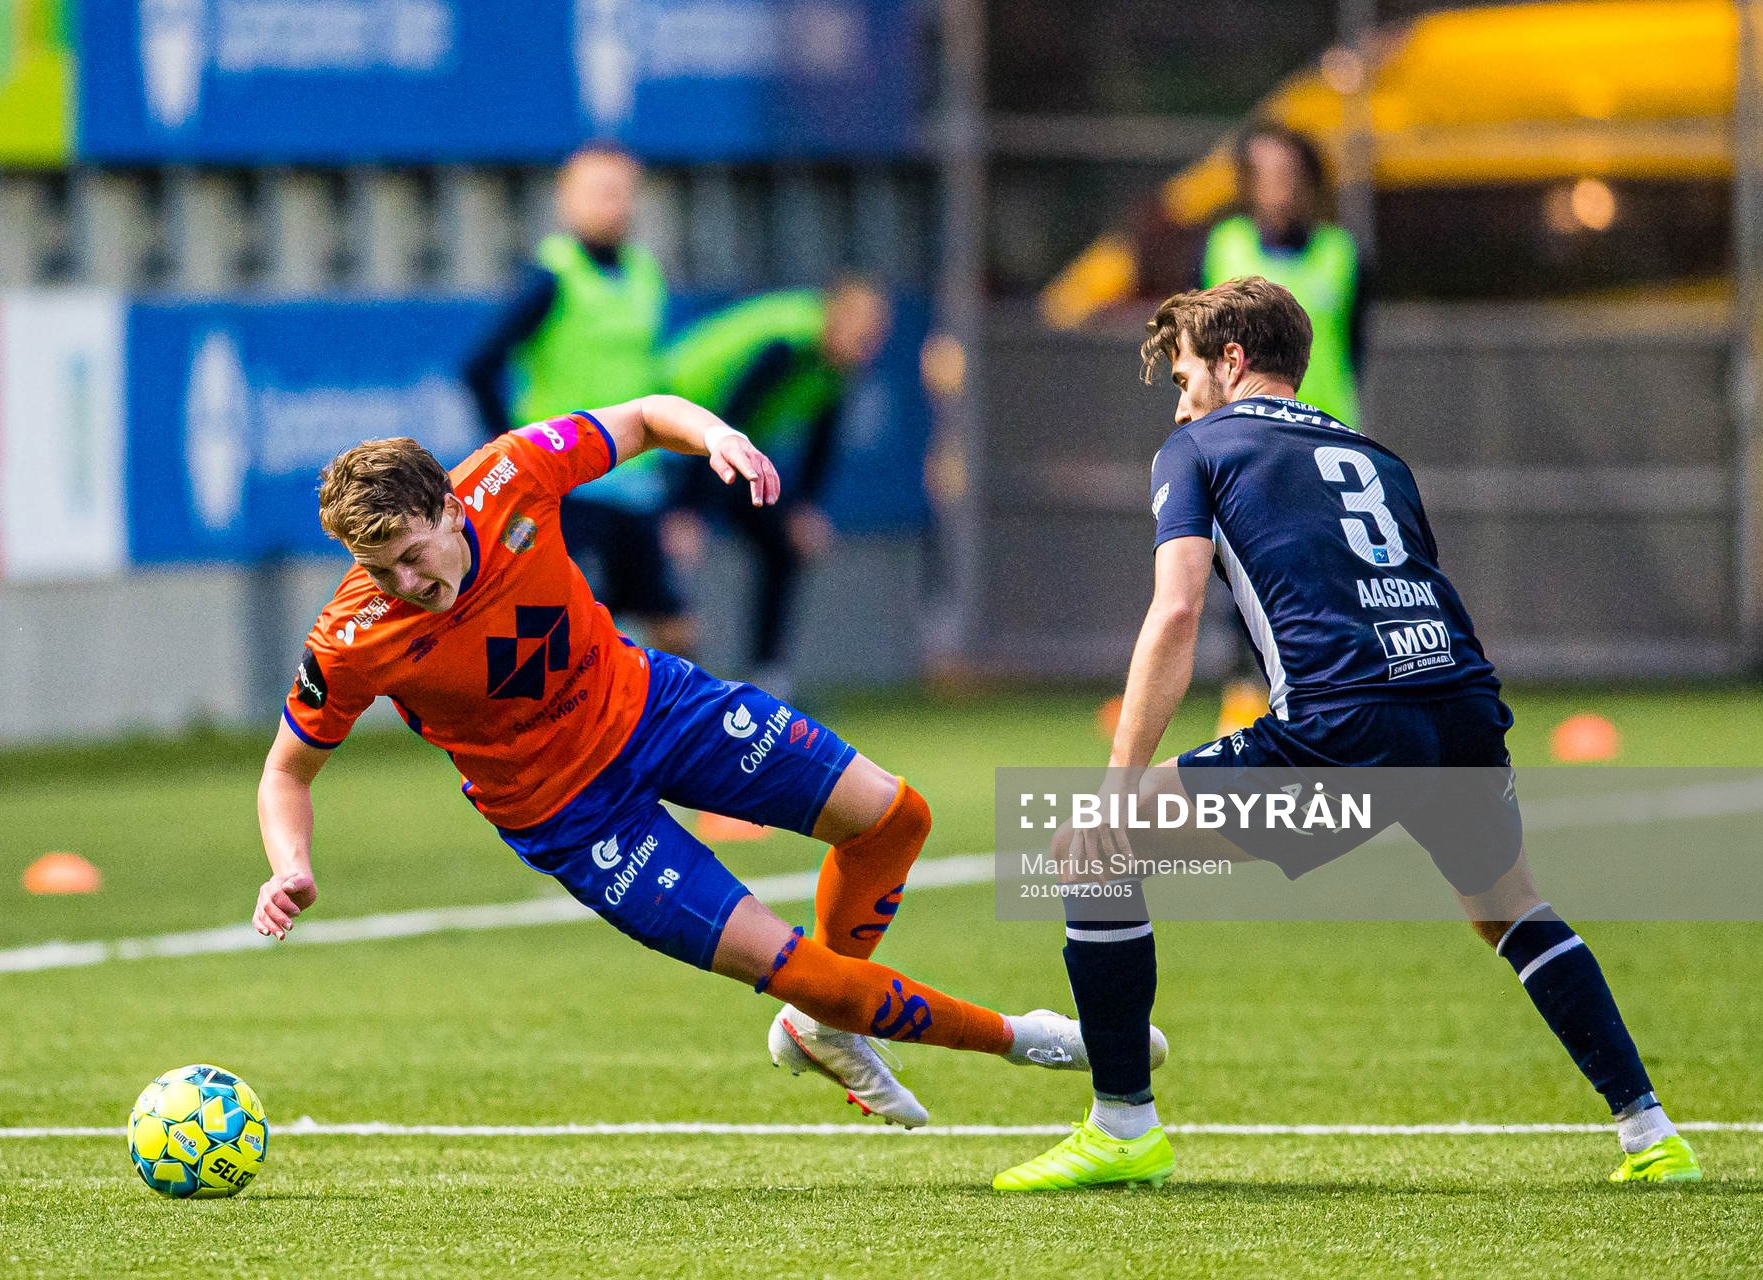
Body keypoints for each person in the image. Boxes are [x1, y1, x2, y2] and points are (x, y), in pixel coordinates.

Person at [992, 278, 1697, 1191]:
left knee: (1087, 852)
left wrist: (1118, 784)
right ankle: (1651, 1131)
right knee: (1511, 908)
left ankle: (1124, 1125)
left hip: (1347, 726)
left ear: (1232, 362)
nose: (1179, 399)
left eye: (1183, 375)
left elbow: (1174, 613)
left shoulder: (1197, 447)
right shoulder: (1376, 452)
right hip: (1460, 707)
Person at [253, 394, 1128, 1128]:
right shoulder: (350, 642)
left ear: (449, 507)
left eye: (411, 556)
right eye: (378, 568)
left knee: (898, 818)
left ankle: (823, 1023)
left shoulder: (509, 474)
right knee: (814, 974)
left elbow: (639, 418)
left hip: (656, 708)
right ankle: (1024, 1037)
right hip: (576, 820)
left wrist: (714, 436)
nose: (404, 583)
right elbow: (287, 773)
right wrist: (289, 866)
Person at [462, 142, 693, 654]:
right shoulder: (552, 276)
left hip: (636, 482)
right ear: (568, 201)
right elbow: (479, 366)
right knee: (578, 637)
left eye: (622, 192)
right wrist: (515, 460)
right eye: (600, 192)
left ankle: (681, 734)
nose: (614, 203)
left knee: (677, 631)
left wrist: (677, 491)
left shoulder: (645, 274)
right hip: (571, 485)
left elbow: (656, 382)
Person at [1201, 123, 1370, 737]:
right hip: (1248, 442)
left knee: (1330, 581)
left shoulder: (1341, 255)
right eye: (1264, 174)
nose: (1276, 188)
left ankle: (1330, 705)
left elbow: (1353, 350)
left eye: (1288, 174)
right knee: (1243, 574)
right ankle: (1246, 700)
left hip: (1326, 447)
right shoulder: (1226, 247)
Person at [661, 278, 892, 695]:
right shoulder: (790, 343)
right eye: (861, 335)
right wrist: (688, 510)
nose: (868, 348)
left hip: (720, 442)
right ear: (836, 319)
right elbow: (730, 413)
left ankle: (768, 681)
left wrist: (804, 507)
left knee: (783, 544)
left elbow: (822, 439)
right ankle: (661, 691)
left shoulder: (834, 366)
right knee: (665, 559)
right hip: (670, 429)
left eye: (874, 339)